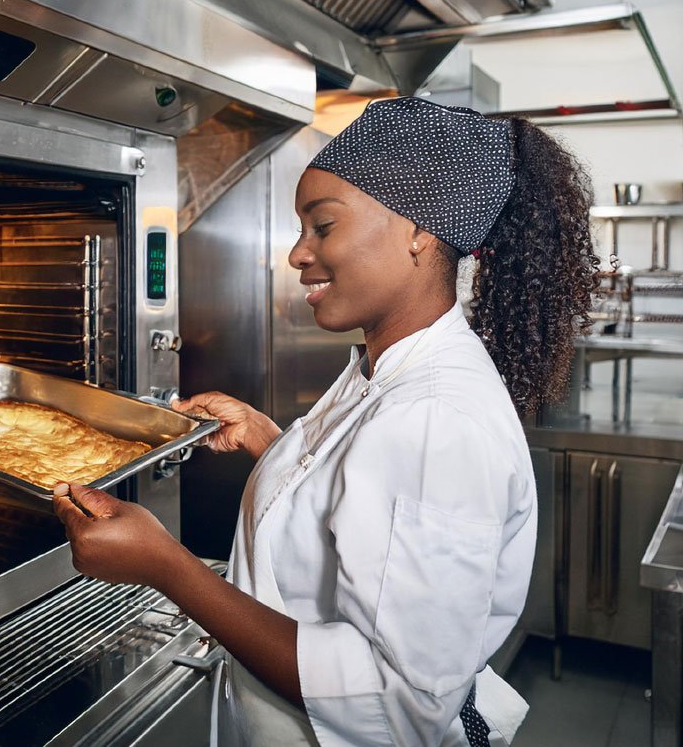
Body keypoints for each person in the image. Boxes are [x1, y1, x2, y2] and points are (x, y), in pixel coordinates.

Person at [52, 97, 599, 746]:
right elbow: (362, 508)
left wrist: (167, 567)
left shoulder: (436, 420)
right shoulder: (386, 364)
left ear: (419, 230)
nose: (297, 254)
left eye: (323, 226)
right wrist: (271, 443)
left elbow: (399, 702)